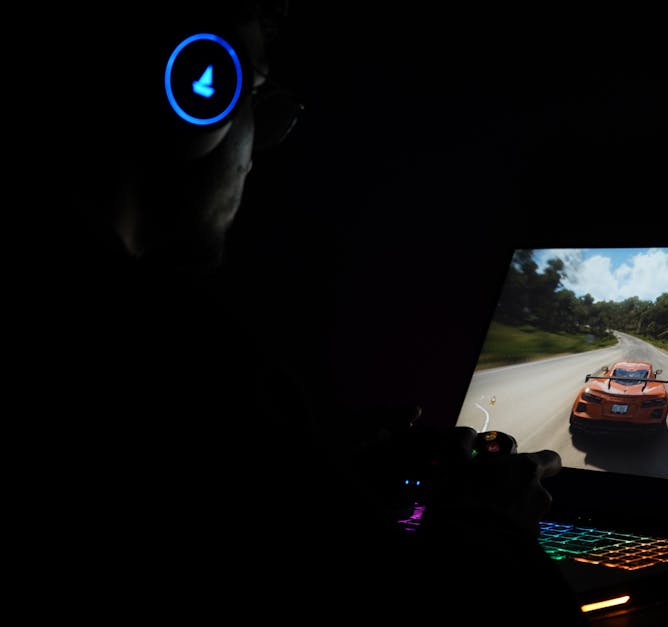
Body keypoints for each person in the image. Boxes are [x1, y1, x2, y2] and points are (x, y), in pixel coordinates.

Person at [21, 2, 587, 624]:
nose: (256, 156)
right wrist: (491, 521)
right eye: (261, 106)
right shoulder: (180, 357)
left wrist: (326, 482)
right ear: (198, 87)